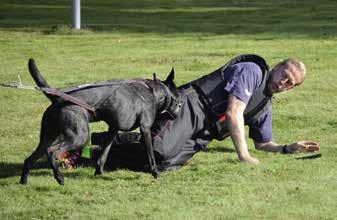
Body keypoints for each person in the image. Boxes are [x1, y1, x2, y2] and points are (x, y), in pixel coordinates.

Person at [66, 54, 320, 172]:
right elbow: (233, 113)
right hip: (193, 106)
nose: (283, 83)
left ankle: (90, 155)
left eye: (290, 84)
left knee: (162, 165)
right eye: (283, 76)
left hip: (204, 132)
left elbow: (264, 143)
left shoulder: (265, 104)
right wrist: (244, 156)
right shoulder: (252, 71)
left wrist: (287, 148)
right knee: (158, 147)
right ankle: (87, 142)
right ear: (276, 68)